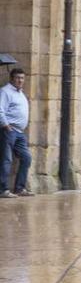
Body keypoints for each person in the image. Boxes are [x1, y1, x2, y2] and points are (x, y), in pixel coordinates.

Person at [0, 68, 33, 198]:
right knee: (6, 160)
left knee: (26, 158)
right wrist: (6, 125)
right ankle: (3, 190)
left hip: (19, 132)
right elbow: (0, 109)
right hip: (9, 130)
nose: (20, 80)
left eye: (22, 78)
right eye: (17, 78)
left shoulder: (20, 93)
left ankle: (20, 188)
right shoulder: (5, 91)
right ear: (11, 78)